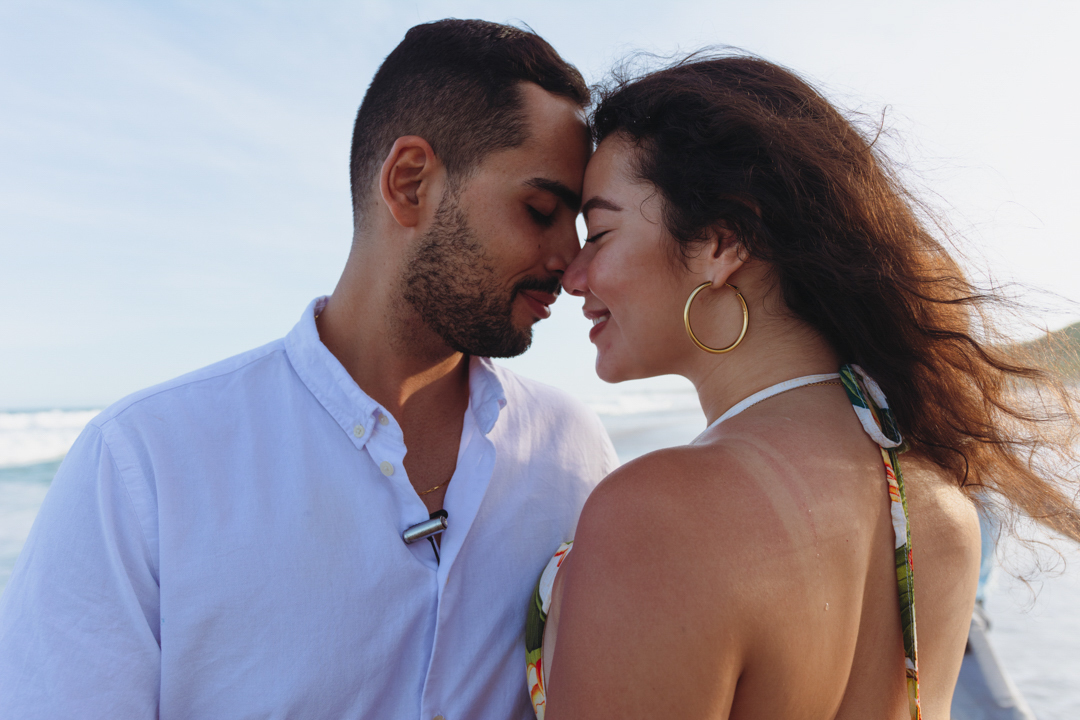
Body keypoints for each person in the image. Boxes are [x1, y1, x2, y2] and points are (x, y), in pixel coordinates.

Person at [0, 19, 617, 720]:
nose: (572, 265)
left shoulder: (575, 452)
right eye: (540, 211)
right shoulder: (143, 465)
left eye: (585, 228)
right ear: (410, 183)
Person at [526, 54, 1080, 719]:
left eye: (601, 233)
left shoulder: (658, 515)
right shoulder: (939, 509)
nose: (573, 276)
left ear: (722, 241)